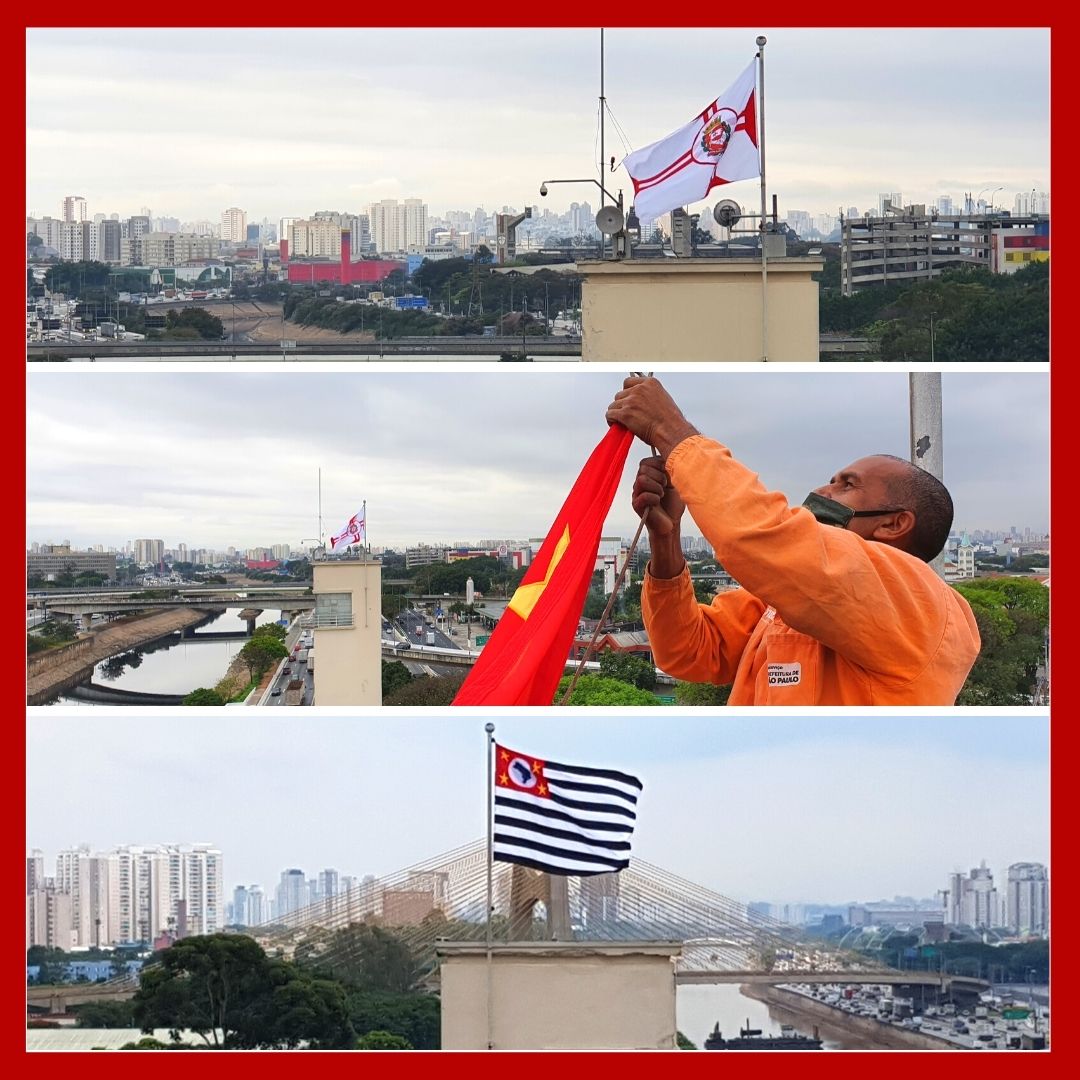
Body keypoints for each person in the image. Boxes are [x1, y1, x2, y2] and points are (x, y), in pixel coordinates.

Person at [605, 376, 980, 705]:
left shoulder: (922, 605)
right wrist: (666, 538)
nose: (821, 491)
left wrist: (670, 430)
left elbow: (756, 536)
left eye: (846, 485)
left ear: (894, 523)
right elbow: (689, 651)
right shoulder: (786, 602)